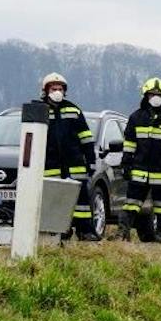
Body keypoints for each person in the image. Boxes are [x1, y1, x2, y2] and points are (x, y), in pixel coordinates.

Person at [119, 78, 161, 242]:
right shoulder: (136, 118)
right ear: (146, 96)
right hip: (139, 169)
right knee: (131, 204)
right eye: (152, 94)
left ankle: (160, 234)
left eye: (159, 94)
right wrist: (126, 164)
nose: (155, 97)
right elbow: (129, 144)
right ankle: (123, 233)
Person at [39, 73, 99, 240]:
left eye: (60, 89)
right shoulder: (39, 109)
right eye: (53, 89)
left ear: (64, 91)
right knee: (54, 199)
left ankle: (85, 231)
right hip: (50, 165)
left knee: (81, 201)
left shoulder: (73, 110)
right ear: (46, 91)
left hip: (75, 163)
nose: (57, 92)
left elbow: (86, 138)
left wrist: (91, 160)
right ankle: (58, 232)